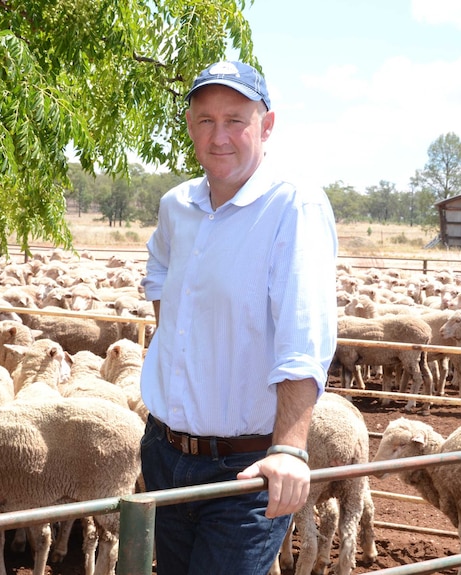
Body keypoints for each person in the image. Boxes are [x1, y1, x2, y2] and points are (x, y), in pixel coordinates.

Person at [139, 60, 339, 575]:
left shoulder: (293, 206)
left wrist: (290, 449)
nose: (218, 135)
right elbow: (158, 269)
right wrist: (180, 338)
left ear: (266, 125)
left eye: (235, 119)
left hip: (244, 468)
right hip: (164, 452)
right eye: (205, 120)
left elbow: (304, 334)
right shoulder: (176, 206)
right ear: (189, 126)